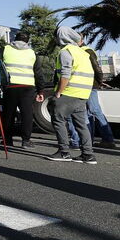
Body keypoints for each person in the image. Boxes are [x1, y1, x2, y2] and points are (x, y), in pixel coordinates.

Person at [41, 27, 96, 164]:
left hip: (69, 92)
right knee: (81, 124)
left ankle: (64, 152)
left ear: (61, 37)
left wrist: (58, 92)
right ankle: (88, 155)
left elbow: (65, 75)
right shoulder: (82, 52)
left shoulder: (66, 52)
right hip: (83, 93)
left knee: (58, 120)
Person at [1, 32, 42, 148]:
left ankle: (8, 139)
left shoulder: (6, 49)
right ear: (27, 41)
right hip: (28, 86)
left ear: (15, 39)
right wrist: (40, 90)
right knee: (27, 114)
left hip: (11, 86)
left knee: (9, 114)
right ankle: (26, 141)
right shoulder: (32, 52)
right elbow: (38, 73)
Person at [81, 41, 117, 148]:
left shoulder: (86, 51)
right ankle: (89, 141)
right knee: (89, 113)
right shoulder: (86, 50)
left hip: (89, 85)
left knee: (94, 110)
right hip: (89, 84)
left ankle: (108, 139)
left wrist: (99, 80)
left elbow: (96, 68)